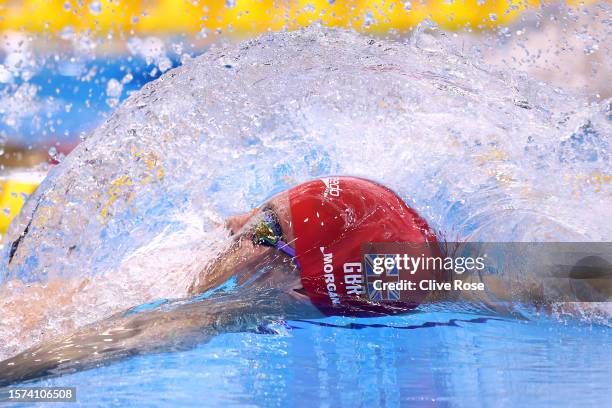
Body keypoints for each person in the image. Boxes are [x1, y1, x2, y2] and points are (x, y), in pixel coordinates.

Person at [0, 176, 609, 385]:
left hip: (345, 227)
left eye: (257, 233)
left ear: (285, 271)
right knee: (172, 300)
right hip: (362, 225)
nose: (233, 226)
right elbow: (567, 273)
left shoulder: (392, 272)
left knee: (167, 298)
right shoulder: (440, 268)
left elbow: (127, 334)